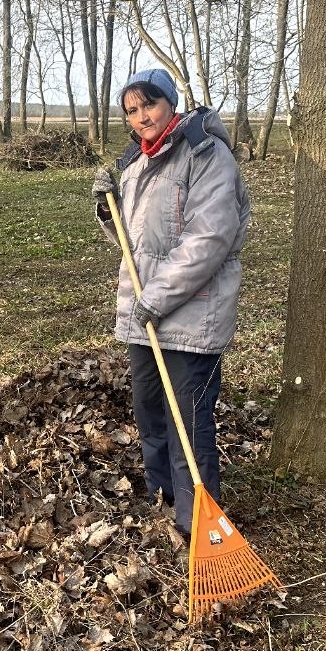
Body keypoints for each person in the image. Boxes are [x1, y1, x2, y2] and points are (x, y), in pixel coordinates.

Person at [91, 68, 250, 539]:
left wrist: (155, 299)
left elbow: (211, 239)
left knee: (188, 424)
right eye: (132, 111)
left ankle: (198, 524)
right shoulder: (138, 164)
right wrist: (107, 210)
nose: (142, 118)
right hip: (146, 317)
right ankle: (161, 497)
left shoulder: (207, 155)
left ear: (170, 103)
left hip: (191, 315)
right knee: (150, 412)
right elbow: (135, 243)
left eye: (149, 105)